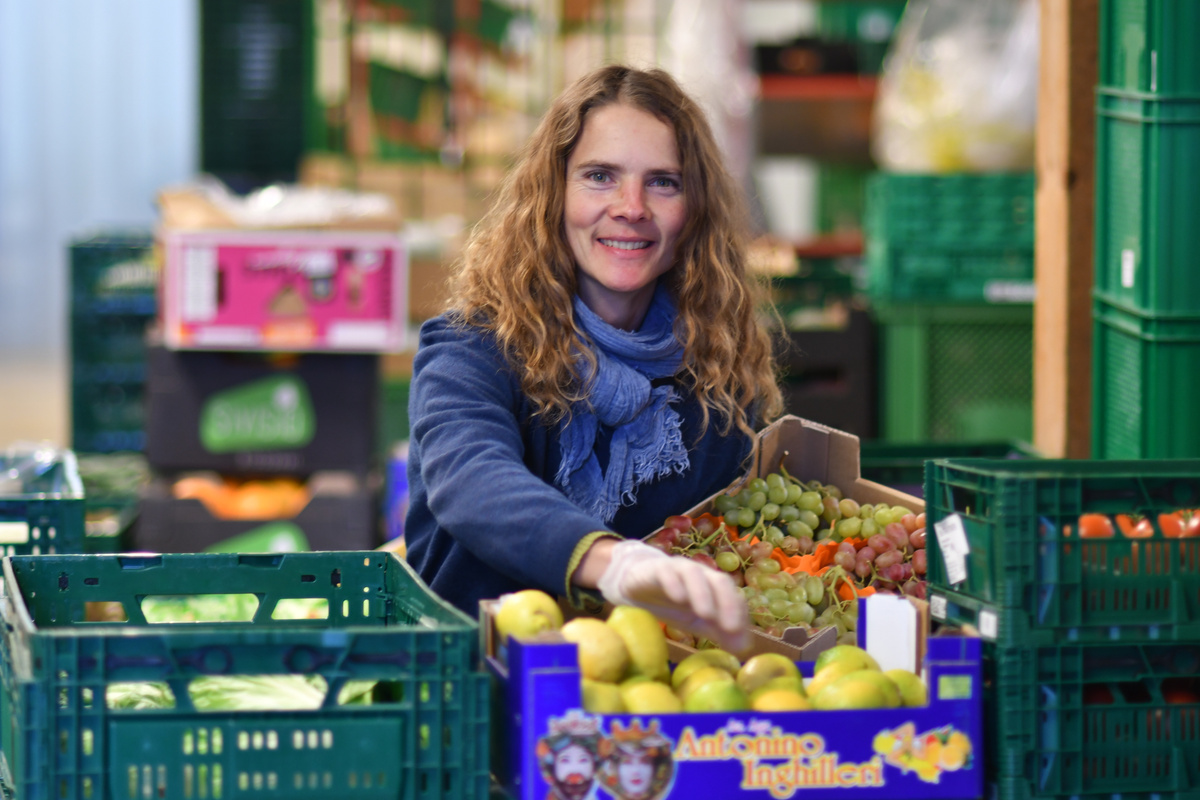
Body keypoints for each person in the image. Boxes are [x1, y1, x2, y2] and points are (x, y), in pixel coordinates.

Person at [404, 64, 782, 652]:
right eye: (600, 176)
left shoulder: (718, 375)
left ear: (695, 209)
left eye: (664, 182)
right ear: (554, 193)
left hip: (651, 687)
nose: (631, 207)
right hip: (476, 676)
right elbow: (472, 480)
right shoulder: (471, 349)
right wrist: (613, 563)